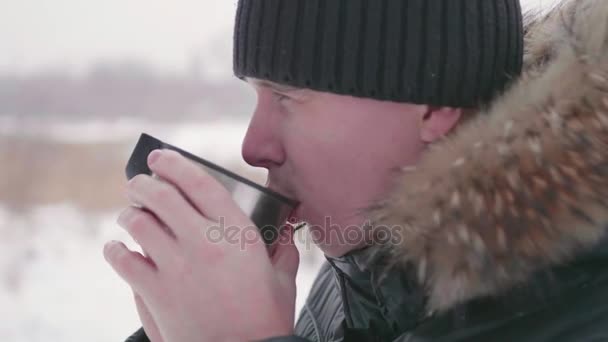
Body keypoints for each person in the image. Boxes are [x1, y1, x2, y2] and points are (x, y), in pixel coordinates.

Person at [109, 0, 608, 341]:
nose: (253, 146)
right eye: (257, 95)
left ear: (433, 103)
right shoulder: (362, 277)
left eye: (287, 97)